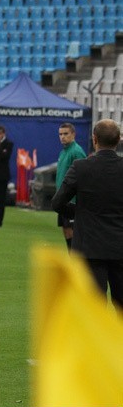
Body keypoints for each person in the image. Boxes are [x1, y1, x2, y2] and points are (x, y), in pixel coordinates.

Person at [51, 119, 123, 311]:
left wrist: (79, 212)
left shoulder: (81, 167)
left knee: (93, 308)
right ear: (118, 139)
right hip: (119, 245)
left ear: (94, 139)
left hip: (89, 246)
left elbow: (57, 202)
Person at [55, 122, 87, 251]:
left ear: (73, 134)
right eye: (60, 134)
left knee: (73, 233)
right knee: (66, 230)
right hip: (63, 199)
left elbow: (84, 176)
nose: (62, 137)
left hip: (72, 201)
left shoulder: (77, 152)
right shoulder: (64, 151)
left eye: (66, 134)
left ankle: (77, 263)